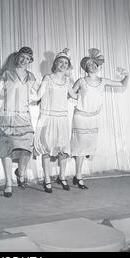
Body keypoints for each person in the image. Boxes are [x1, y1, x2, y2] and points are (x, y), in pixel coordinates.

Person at [70, 48, 129, 189]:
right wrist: (80, 98)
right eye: (89, 64)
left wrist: (126, 74)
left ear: (98, 66)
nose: (92, 66)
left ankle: (77, 176)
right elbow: (70, 93)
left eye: (94, 64)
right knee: (80, 147)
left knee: (88, 147)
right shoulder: (81, 81)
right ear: (85, 68)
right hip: (81, 117)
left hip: (94, 117)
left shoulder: (103, 81)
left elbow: (122, 84)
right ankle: (79, 176)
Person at [0, 47, 38, 198]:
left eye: (28, 58)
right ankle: (8, 183)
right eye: (22, 57)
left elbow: (38, 94)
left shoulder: (31, 76)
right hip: (7, 117)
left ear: (30, 61)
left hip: (24, 117)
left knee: (27, 149)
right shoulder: (7, 74)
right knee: (6, 150)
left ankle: (20, 172)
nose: (24, 60)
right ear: (17, 57)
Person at [34, 48, 77, 193]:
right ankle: (46, 178)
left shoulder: (67, 81)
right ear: (55, 63)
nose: (63, 65)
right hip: (48, 118)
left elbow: (75, 95)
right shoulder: (47, 78)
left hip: (62, 119)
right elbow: (38, 95)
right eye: (61, 62)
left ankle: (62, 176)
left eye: (66, 63)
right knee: (46, 148)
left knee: (63, 150)